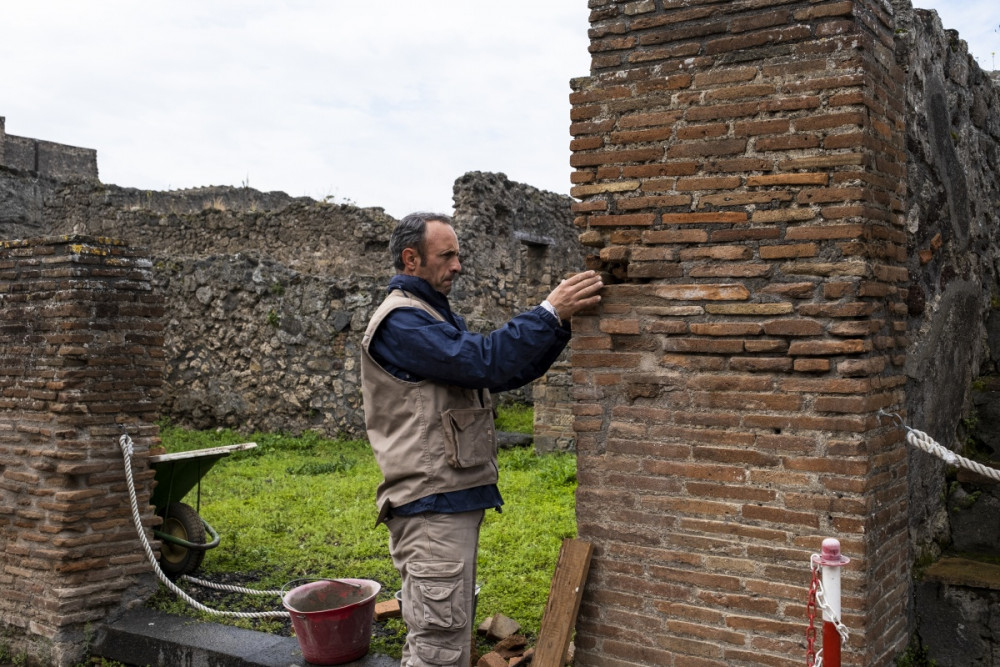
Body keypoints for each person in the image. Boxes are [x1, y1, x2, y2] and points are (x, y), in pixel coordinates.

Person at [360, 211, 603, 666]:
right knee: (437, 649)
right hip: (431, 507)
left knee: (447, 637)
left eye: (458, 254)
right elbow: (485, 361)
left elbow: (506, 372)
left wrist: (559, 324)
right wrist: (548, 311)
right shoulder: (401, 323)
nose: (457, 265)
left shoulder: (432, 316)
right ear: (411, 259)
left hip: (449, 502)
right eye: (447, 255)